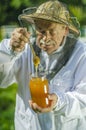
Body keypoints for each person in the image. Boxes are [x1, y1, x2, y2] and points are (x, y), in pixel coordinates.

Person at [0, 0, 86, 130]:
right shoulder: (25, 49)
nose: (45, 38)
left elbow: (83, 99)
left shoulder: (81, 54)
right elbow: (2, 80)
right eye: (40, 30)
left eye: (51, 31)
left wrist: (58, 102)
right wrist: (10, 50)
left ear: (65, 30)